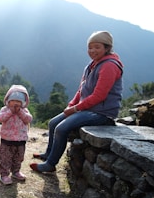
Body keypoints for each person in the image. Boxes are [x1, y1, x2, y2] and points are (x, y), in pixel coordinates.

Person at [30, 31, 123, 173]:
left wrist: (74, 110)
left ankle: (50, 164)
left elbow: (99, 95)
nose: (92, 51)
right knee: (53, 123)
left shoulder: (109, 66)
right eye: (90, 47)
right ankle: (48, 154)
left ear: (107, 47)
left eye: (97, 47)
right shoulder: (91, 66)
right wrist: (71, 105)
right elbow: (81, 91)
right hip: (87, 108)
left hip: (102, 112)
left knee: (61, 128)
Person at [0, 85, 32, 185]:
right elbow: (0, 118)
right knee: (5, 158)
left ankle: (16, 172)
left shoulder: (24, 111)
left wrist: (21, 112)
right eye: (13, 101)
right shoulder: (5, 110)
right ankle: (4, 175)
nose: (16, 104)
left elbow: (28, 119)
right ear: (8, 100)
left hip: (21, 140)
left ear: (24, 103)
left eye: (19, 102)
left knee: (19, 157)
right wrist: (10, 112)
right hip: (6, 140)